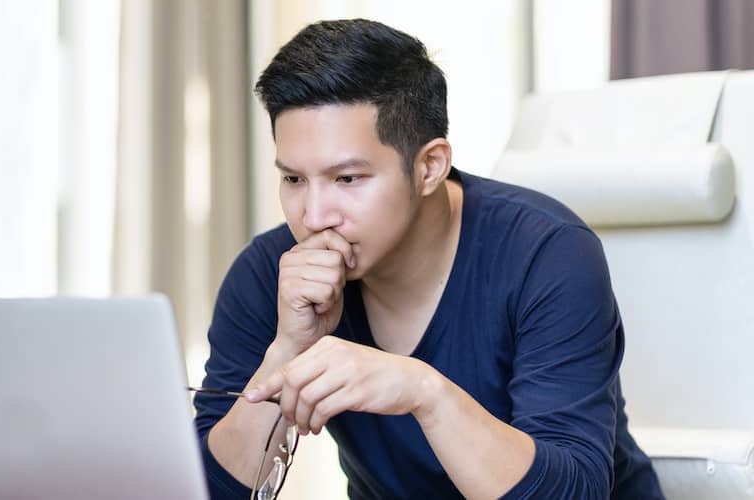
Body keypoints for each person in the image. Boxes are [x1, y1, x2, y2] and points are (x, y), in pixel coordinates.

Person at [192, 19, 663, 499]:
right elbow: (201, 491)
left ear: (429, 167)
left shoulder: (548, 254)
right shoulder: (270, 273)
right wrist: (287, 349)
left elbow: (574, 493)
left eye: (348, 179)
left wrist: (423, 393)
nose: (313, 216)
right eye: (293, 180)